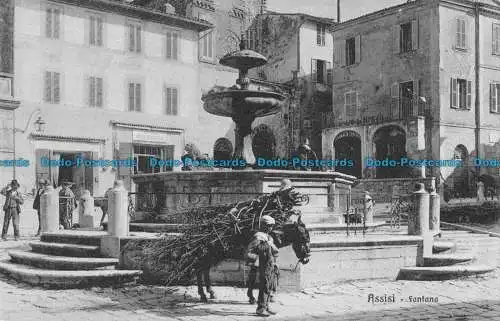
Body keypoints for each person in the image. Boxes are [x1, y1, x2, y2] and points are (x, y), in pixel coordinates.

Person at [246, 215, 279, 317]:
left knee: (270, 286)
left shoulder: (269, 237)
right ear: (263, 225)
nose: (271, 228)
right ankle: (260, 308)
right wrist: (257, 260)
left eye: (272, 226)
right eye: (269, 225)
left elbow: (274, 252)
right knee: (264, 286)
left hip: (271, 265)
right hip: (263, 265)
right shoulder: (258, 237)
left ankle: (266, 306)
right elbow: (249, 252)